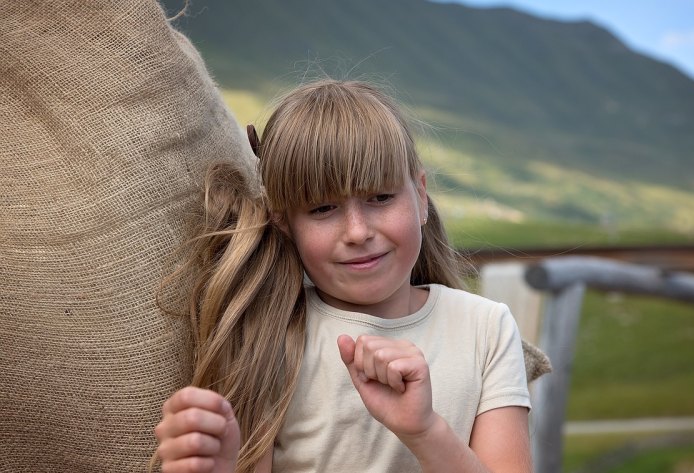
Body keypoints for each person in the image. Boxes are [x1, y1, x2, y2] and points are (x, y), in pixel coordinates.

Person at [153, 79, 532, 473]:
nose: (357, 232)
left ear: (420, 196)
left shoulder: (486, 328)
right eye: (322, 209)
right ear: (284, 222)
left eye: (380, 198)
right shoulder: (269, 339)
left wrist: (424, 431)